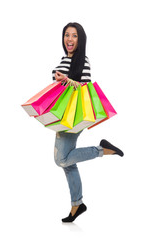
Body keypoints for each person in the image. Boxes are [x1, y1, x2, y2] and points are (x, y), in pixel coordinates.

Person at [52, 22, 124, 223]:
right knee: (68, 163)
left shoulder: (83, 60)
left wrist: (65, 79)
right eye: (67, 35)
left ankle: (101, 150)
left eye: (74, 36)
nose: (70, 39)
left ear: (80, 39)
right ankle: (77, 204)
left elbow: (85, 89)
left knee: (61, 159)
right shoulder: (64, 59)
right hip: (62, 114)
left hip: (73, 116)